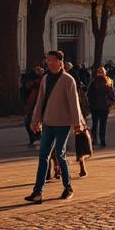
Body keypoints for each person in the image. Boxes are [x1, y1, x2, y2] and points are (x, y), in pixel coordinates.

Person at [25, 50, 85, 203]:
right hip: (47, 122)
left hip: (63, 123)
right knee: (43, 156)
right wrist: (35, 120)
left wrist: (77, 123)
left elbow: (74, 103)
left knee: (60, 154)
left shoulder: (67, 80)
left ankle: (68, 187)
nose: (49, 63)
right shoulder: (45, 79)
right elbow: (40, 101)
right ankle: (37, 191)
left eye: (52, 60)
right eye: (47, 60)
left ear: (60, 62)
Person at [86, 67, 115, 148]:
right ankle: (102, 140)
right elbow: (111, 94)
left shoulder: (93, 82)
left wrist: (90, 103)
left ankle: (94, 140)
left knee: (95, 124)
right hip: (104, 106)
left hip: (94, 106)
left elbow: (89, 95)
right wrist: (112, 102)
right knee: (103, 124)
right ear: (105, 72)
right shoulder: (108, 81)